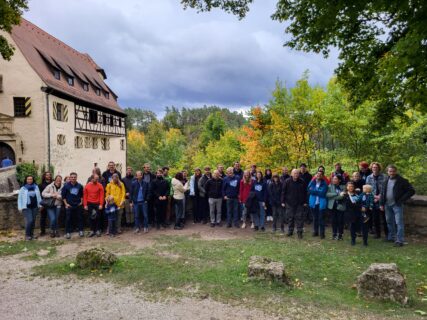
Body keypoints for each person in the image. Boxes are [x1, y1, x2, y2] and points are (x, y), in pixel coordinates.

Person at [380, 165, 415, 247]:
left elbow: (411, 191)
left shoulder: (402, 180)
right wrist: (381, 204)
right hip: (387, 204)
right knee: (389, 221)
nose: (391, 173)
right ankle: (391, 237)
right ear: (387, 172)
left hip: (397, 205)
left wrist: (401, 200)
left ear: (396, 171)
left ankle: (400, 240)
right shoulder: (385, 180)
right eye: (390, 171)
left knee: (399, 222)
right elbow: (382, 193)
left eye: (393, 171)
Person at [282, 169, 307, 238]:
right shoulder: (287, 181)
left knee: (299, 218)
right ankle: (290, 231)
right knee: (290, 218)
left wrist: (305, 201)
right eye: (295, 173)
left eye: (297, 173)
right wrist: (282, 201)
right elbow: (283, 192)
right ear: (291, 174)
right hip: (289, 203)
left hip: (300, 203)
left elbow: (305, 192)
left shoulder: (302, 181)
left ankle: (299, 232)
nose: (296, 175)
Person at [365, 162, 387, 239]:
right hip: (373, 200)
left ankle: (387, 234)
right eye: (373, 167)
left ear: (379, 168)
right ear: (371, 168)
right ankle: (377, 234)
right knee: (375, 218)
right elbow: (367, 189)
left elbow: (386, 188)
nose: (375, 168)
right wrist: (374, 196)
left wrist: (380, 196)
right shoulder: (368, 177)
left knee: (385, 218)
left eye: (376, 167)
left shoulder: (384, 177)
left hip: (383, 199)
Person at [342, 181, 367, 246]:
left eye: (352, 186)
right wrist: (358, 205)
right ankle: (353, 240)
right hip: (350, 214)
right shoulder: (345, 195)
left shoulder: (358, 194)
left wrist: (363, 206)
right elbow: (348, 205)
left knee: (363, 227)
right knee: (352, 227)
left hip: (360, 213)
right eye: (349, 186)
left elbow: (362, 201)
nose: (351, 187)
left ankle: (365, 241)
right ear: (347, 187)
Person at [18, 175, 42, 241]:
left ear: (33, 180)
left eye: (31, 179)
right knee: (30, 220)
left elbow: (39, 197)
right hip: (26, 207)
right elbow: (19, 198)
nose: (29, 180)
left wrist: (40, 205)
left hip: (34, 206)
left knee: (33, 221)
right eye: (28, 179)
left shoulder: (36, 187)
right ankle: (27, 235)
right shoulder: (23, 188)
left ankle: (32, 234)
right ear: (26, 180)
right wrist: (20, 207)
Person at [61, 172, 84, 239]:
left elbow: (82, 195)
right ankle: (67, 232)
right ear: (70, 178)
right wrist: (66, 204)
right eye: (72, 177)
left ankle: (80, 230)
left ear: (76, 178)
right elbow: (63, 196)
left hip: (78, 205)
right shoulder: (66, 186)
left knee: (80, 218)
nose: (73, 178)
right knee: (68, 219)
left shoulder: (79, 186)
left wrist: (81, 202)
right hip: (69, 205)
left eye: (74, 177)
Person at [308, 171, 328, 239]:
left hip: (321, 204)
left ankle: (322, 234)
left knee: (321, 219)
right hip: (313, 203)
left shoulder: (324, 183)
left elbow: (323, 193)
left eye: (320, 174)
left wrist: (314, 191)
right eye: (317, 174)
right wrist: (317, 191)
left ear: (322, 176)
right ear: (315, 175)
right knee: (315, 218)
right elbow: (309, 190)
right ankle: (315, 232)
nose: (318, 175)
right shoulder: (312, 182)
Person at [326, 176, 346, 240]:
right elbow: (327, 195)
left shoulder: (343, 187)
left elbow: (342, 197)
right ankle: (334, 234)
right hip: (332, 206)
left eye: (335, 179)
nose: (333, 180)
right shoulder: (330, 186)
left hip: (340, 206)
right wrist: (336, 194)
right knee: (333, 221)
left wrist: (334, 196)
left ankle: (340, 235)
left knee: (340, 221)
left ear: (339, 180)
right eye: (333, 179)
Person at [38, 172, 53, 236]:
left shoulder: (53, 183)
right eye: (47, 175)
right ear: (44, 176)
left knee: (52, 217)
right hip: (44, 203)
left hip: (52, 202)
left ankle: (52, 230)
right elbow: (39, 195)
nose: (48, 176)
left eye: (49, 175)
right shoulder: (41, 185)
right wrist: (41, 205)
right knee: (43, 218)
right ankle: (42, 231)